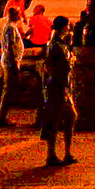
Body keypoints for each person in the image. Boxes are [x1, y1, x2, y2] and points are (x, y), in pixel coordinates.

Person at [41, 16, 77, 167]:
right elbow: (52, 67)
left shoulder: (61, 43)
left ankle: (66, 152)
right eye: (67, 26)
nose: (69, 28)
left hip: (63, 86)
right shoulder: (55, 45)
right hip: (58, 86)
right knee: (55, 120)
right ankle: (52, 154)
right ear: (63, 27)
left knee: (70, 117)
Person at [0, 4, 25, 128]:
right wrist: (14, 62)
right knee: (7, 91)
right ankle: (1, 118)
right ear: (13, 15)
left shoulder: (11, 27)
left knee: (8, 90)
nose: (20, 15)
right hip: (10, 62)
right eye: (18, 13)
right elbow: (10, 46)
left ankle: (3, 117)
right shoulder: (10, 28)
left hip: (10, 61)